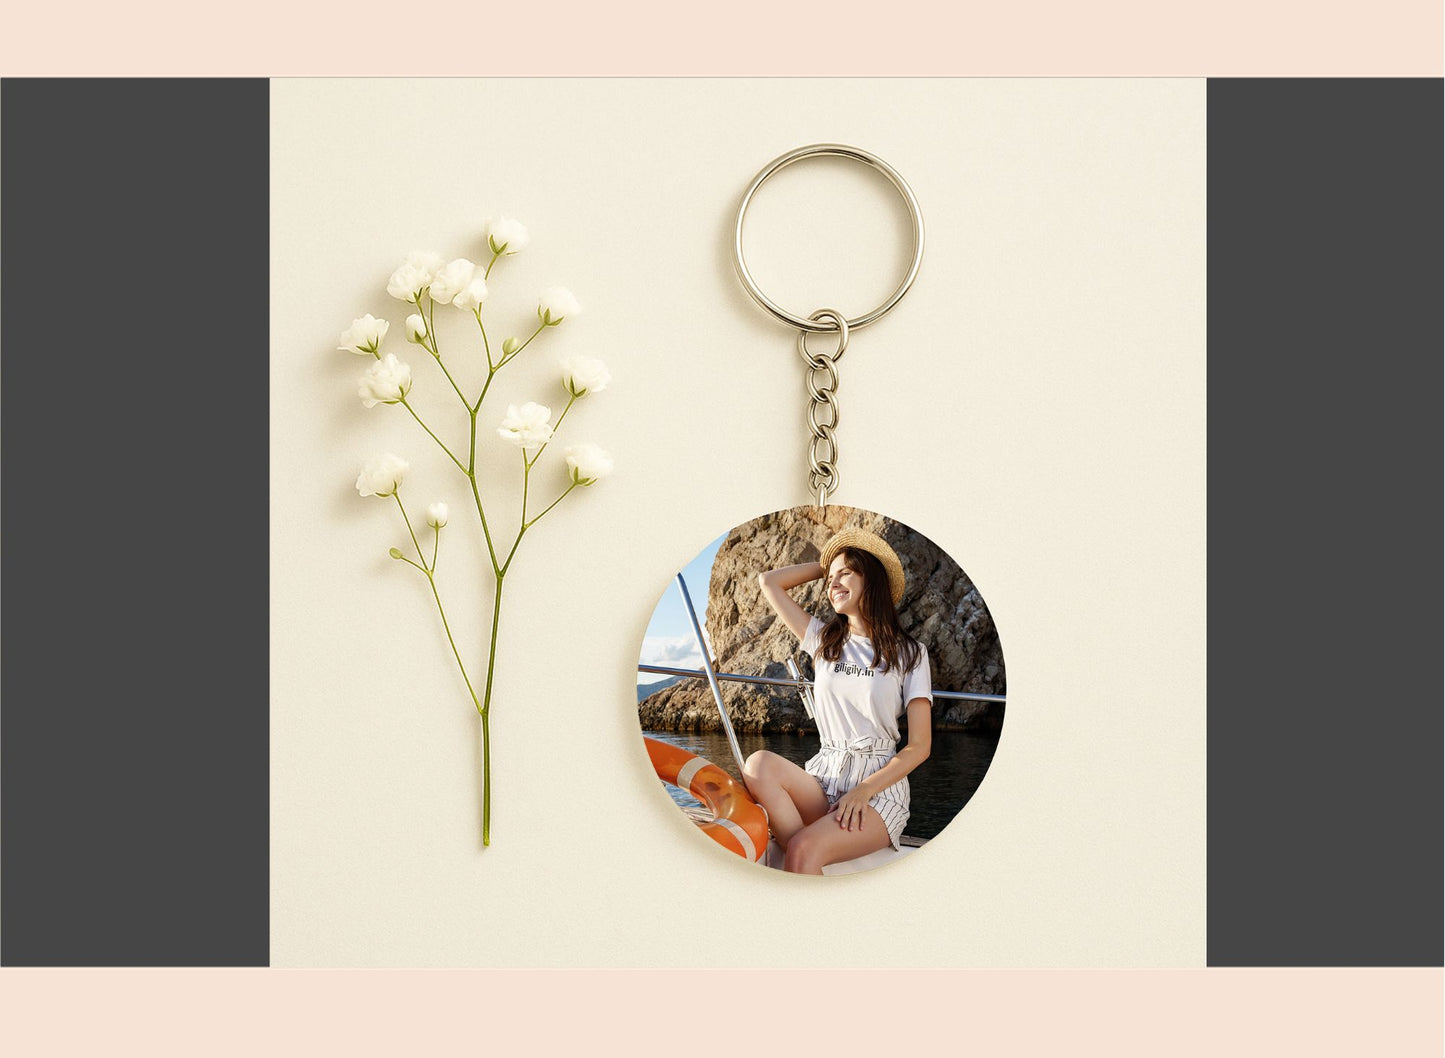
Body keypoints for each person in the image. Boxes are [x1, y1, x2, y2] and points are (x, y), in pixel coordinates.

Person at [746, 527, 932, 874]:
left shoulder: (911, 653)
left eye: (846, 573)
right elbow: (769, 582)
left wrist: (862, 791)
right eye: (830, 579)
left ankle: (809, 855)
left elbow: (919, 746)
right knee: (759, 765)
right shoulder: (823, 639)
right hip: (824, 775)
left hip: (877, 788)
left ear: (871, 578)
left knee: (799, 847)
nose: (832, 584)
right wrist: (827, 566)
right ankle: (814, 857)